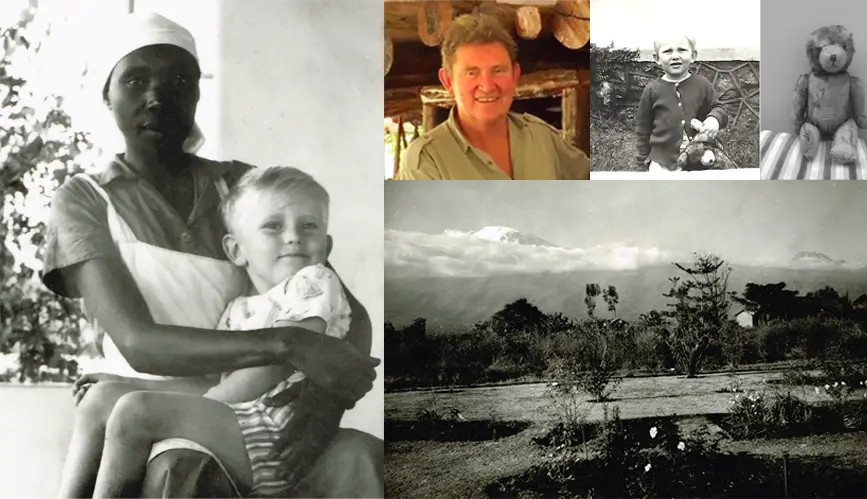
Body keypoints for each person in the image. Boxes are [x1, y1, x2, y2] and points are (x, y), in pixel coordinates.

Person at [41, 12, 382, 499]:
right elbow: (139, 343)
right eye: (136, 80)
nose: (158, 98)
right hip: (159, 392)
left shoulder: (242, 188)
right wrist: (288, 344)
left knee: (356, 456)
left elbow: (347, 313)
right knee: (130, 425)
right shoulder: (86, 198)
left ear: (198, 93)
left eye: (180, 81)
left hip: (245, 394)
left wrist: (324, 405)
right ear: (107, 94)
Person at [57, 168, 351, 498]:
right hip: (240, 423)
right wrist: (126, 385)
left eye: (309, 225)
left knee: (134, 413)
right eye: (273, 226)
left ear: (325, 246)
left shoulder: (315, 282)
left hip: (279, 439)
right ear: (236, 251)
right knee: (100, 400)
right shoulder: (240, 308)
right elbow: (220, 382)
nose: (294, 236)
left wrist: (173, 408)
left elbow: (269, 371)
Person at [396, 13, 590, 180]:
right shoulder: (426, 161)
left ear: (515, 76)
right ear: (448, 82)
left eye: (498, 71)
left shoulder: (540, 136)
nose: (487, 86)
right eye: (472, 72)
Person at [634, 34, 729, 173]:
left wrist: (714, 118)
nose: (675, 56)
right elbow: (643, 128)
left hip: (698, 158)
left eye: (682, 50)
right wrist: (641, 162)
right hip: (663, 161)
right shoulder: (651, 90)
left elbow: (719, 108)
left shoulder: (702, 85)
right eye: (667, 51)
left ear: (693, 55)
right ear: (657, 58)